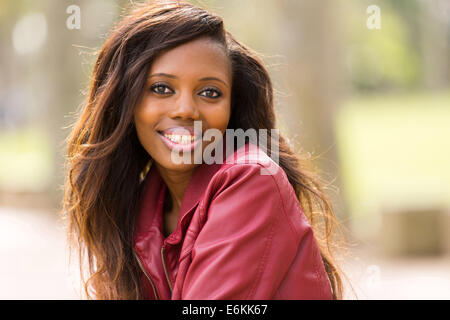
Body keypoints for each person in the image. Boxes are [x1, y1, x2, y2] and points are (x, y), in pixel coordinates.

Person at [63, 0, 345, 300]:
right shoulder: (136, 202)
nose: (186, 110)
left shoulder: (251, 179)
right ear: (126, 101)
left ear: (231, 106)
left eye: (210, 92)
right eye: (161, 88)